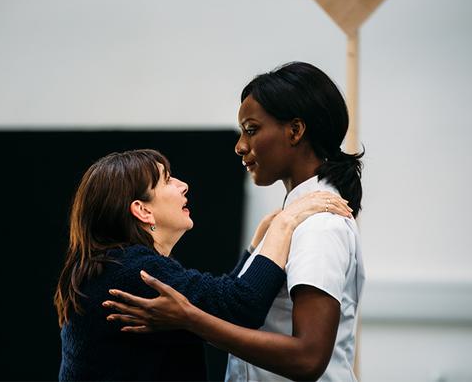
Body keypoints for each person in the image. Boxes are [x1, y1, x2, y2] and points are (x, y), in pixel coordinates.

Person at [105, 62, 365, 381]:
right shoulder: (288, 222)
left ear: (295, 131)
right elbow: (234, 300)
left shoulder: (318, 225)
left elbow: (309, 358)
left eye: (252, 129)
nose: (240, 146)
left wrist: (189, 318)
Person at [53, 148, 351, 381]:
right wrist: (285, 223)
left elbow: (213, 304)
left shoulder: (114, 267)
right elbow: (241, 307)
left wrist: (253, 249)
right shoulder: (136, 273)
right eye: (167, 179)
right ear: (142, 210)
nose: (183, 185)